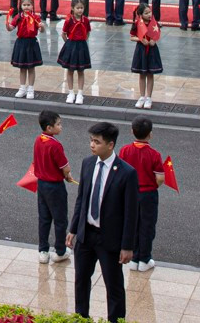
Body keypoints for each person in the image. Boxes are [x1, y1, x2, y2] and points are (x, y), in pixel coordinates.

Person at [68, 120, 137, 320]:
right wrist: (73, 229)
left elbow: (131, 213)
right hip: (86, 235)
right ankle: (81, 317)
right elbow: (81, 199)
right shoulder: (88, 163)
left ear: (110, 144)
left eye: (97, 142)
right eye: (91, 140)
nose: (92, 145)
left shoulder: (127, 173)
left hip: (109, 240)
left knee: (113, 286)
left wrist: (127, 246)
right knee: (81, 280)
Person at [118, 117, 168, 272]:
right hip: (148, 195)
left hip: (130, 193)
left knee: (131, 224)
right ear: (150, 134)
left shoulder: (125, 150)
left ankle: (133, 258)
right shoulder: (154, 154)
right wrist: (154, 186)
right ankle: (144, 259)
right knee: (147, 226)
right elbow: (160, 178)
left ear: (132, 131)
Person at [30, 109, 74, 264]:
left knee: (44, 218)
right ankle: (60, 250)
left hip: (41, 184)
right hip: (55, 186)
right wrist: (67, 175)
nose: (61, 126)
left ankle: (43, 250)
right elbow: (65, 167)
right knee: (60, 219)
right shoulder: (55, 145)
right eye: (58, 124)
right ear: (49, 127)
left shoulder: (38, 139)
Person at [7, 0, 44, 99]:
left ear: (32, 6)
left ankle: (31, 88)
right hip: (21, 43)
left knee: (31, 67)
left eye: (28, 5)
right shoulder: (18, 17)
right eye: (24, 5)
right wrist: (7, 24)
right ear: (21, 6)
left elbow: (41, 30)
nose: (26, 7)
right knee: (22, 67)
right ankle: (22, 88)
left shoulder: (36, 17)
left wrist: (42, 27)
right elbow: (10, 28)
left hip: (32, 43)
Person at [59, 0, 92, 105]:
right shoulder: (69, 20)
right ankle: (71, 92)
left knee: (81, 70)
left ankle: (80, 93)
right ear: (72, 8)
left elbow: (88, 32)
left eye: (82, 8)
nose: (80, 10)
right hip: (71, 45)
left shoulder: (86, 20)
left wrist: (83, 41)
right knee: (70, 70)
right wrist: (68, 44)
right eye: (78, 8)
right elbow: (64, 33)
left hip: (81, 46)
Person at [129, 3, 163, 108]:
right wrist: (140, 39)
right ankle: (142, 96)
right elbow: (131, 37)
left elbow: (157, 34)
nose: (149, 14)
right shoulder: (137, 24)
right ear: (140, 14)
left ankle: (149, 98)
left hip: (152, 50)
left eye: (150, 12)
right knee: (142, 74)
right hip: (141, 50)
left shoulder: (154, 23)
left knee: (150, 74)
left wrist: (154, 40)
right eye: (146, 13)